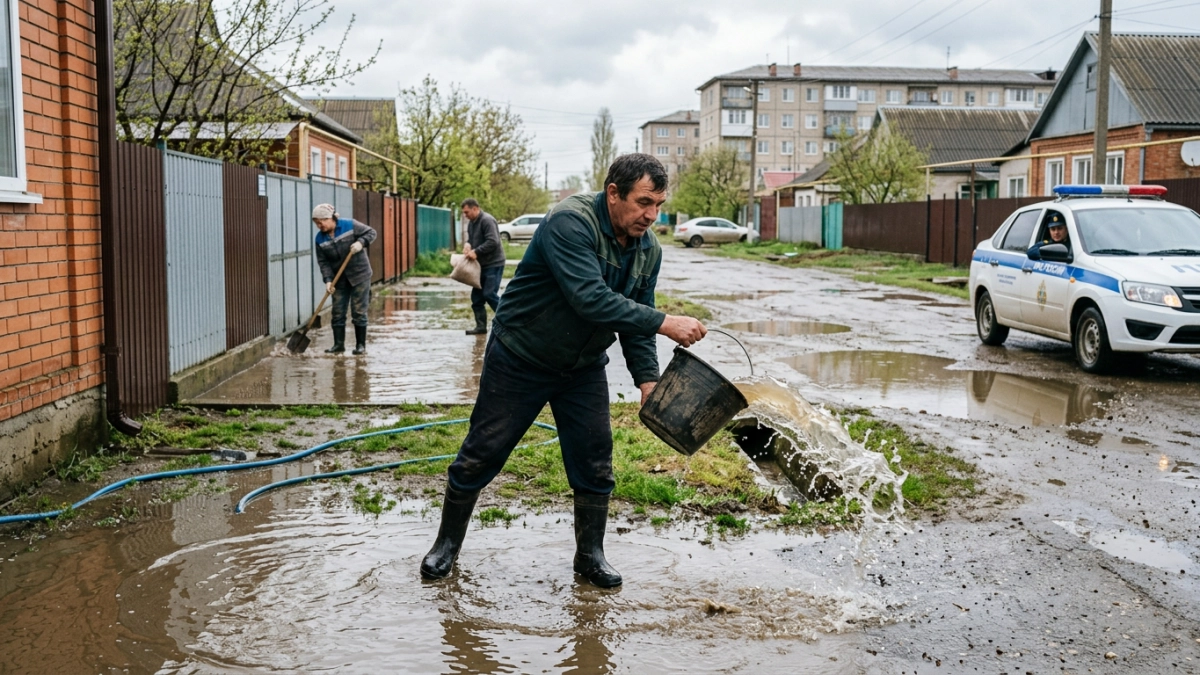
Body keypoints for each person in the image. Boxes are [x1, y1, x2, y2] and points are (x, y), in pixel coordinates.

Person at [421, 153, 707, 588]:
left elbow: (636, 320)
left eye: (659, 205)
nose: (652, 215)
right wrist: (667, 323)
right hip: (521, 355)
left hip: (582, 366)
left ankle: (590, 557)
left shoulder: (648, 250)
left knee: (595, 461)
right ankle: (446, 546)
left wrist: (648, 382)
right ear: (614, 193)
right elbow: (590, 298)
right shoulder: (569, 222)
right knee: (483, 452)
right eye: (644, 202)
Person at [313, 203, 377, 355]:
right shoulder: (319, 239)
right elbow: (323, 262)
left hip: (360, 274)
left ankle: (360, 346)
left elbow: (371, 233)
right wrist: (328, 280)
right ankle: (338, 345)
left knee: (359, 311)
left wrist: (360, 243)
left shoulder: (350, 225)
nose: (319, 225)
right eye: (316, 223)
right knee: (338, 312)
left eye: (321, 221)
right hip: (338, 279)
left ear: (330, 218)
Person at [461, 199, 506, 335]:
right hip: (481, 266)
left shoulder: (487, 220)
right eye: (464, 213)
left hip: (494, 263)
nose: (465, 215)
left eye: (467, 212)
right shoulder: (472, 223)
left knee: (489, 294)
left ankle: (508, 322)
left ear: (475, 209)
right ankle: (481, 327)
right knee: (477, 299)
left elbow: (493, 241)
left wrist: (476, 252)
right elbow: (472, 239)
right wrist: (468, 245)